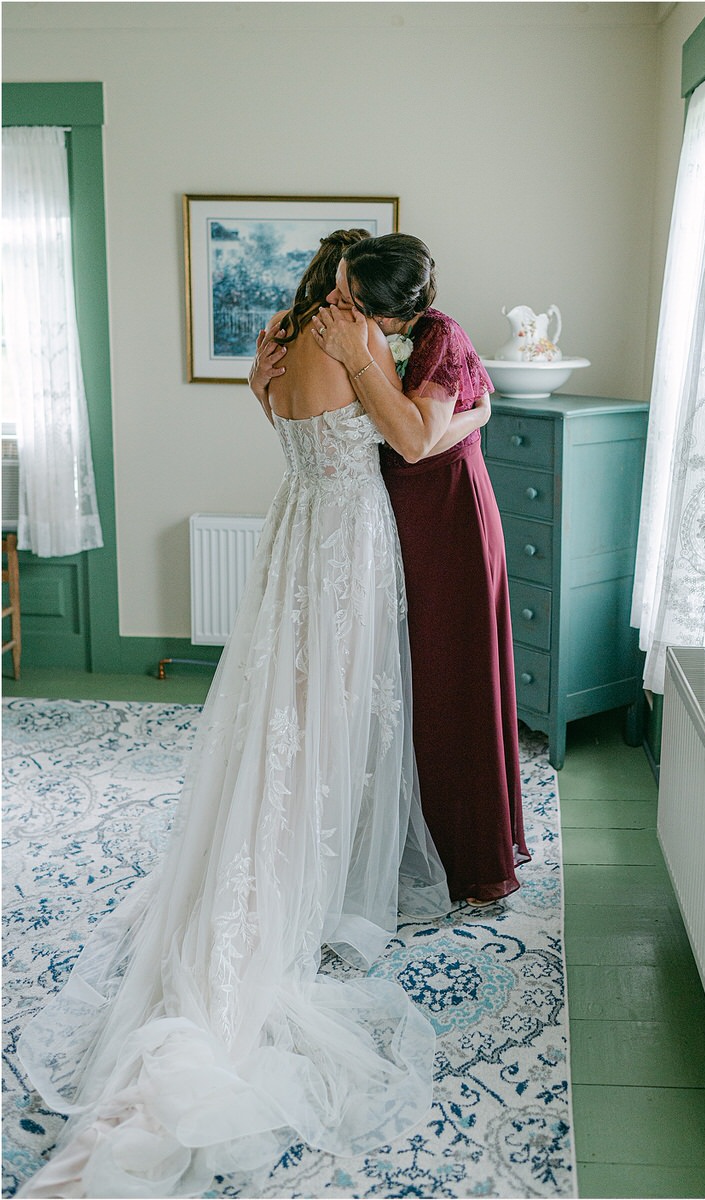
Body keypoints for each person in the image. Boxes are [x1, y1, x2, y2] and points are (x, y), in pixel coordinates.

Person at [16, 229, 452, 1199]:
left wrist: (268, 387)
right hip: (339, 549)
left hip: (292, 532)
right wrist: (401, 376)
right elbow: (410, 439)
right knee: (325, 723)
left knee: (279, 717)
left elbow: (282, 418)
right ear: (364, 296)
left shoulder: (286, 336)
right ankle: (290, 886)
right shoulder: (355, 345)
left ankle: (278, 859)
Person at [250, 234, 530, 904]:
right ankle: (353, 839)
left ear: (390, 311)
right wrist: (478, 412)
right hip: (376, 519)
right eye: (339, 287)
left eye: (351, 296)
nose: (338, 303)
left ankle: (465, 850)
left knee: (445, 678)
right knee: (374, 683)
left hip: (445, 517)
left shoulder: (436, 337)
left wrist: (474, 412)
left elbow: (412, 439)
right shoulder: (332, 336)